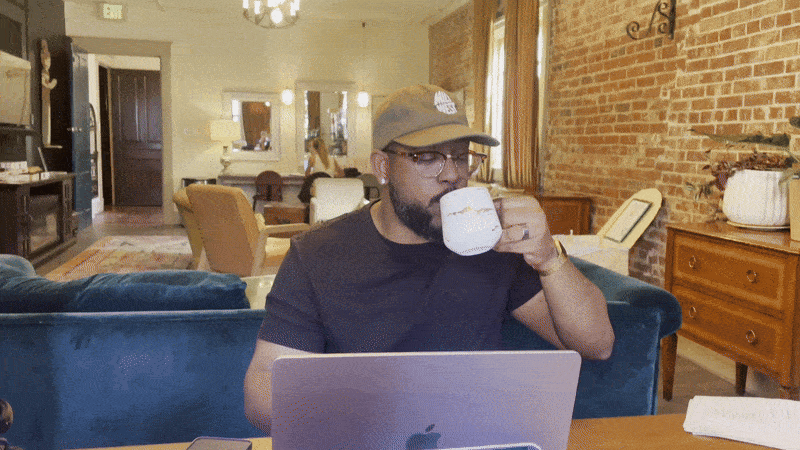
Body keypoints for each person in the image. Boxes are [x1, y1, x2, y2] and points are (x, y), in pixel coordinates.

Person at [244, 84, 614, 433]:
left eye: (461, 157)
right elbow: (262, 392)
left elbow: (597, 345)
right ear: (383, 167)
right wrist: (371, 418)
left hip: (473, 437)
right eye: (427, 158)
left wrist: (548, 256)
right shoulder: (318, 254)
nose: (452, 175)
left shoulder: (492, 244)